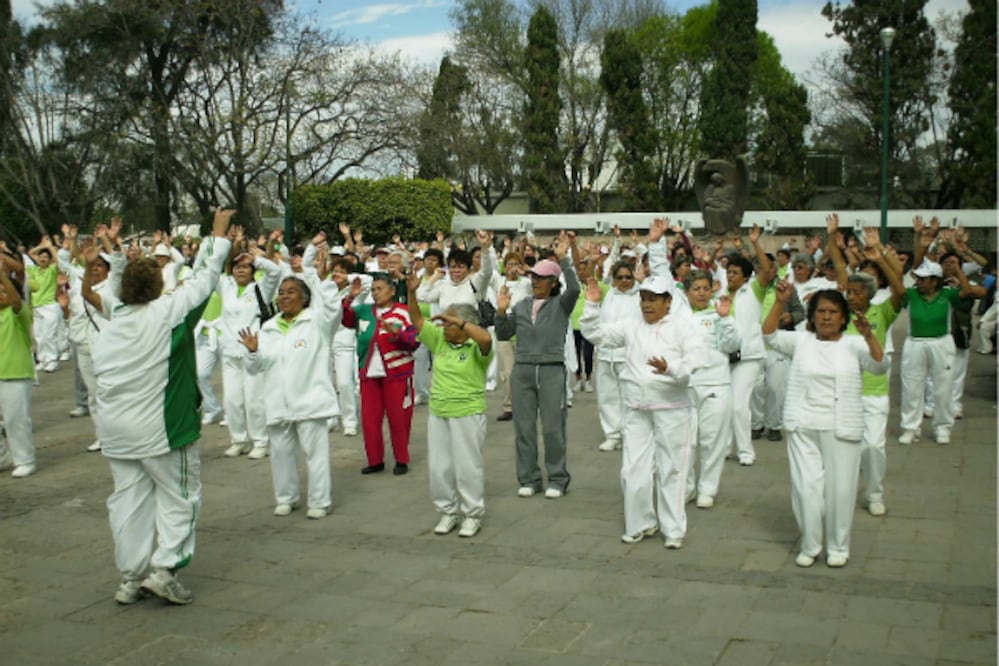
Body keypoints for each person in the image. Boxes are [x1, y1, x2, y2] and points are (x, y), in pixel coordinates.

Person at [91, 209, 234, 606]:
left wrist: (117, 256)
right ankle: (165, 570)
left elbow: (117, 285)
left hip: (114, 431)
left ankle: (129, 578)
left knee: (128, 502)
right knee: (181, 496)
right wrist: (219, 230)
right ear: (158, 285)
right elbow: (206, 276)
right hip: (162, 428)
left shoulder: (114, 318)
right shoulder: (170, 312)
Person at [762, 283, 888, 568]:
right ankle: (810, 544)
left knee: (841, 491)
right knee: (806, 489)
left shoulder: (854, 344)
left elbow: (880, 367)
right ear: (812, 315)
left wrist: (870, 337)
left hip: (841, 426)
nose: (827, 317)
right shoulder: (801, 341)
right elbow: (769, 334)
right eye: (821, 312)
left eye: (833, 312)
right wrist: (780, 303)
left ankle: (838, 546)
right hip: (802, 424)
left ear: (844, 317)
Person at [580, 275, 708, 547]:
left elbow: (698, 357)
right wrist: (591, 307)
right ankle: (640, 523)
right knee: (632, 469)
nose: (647, 305)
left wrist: (671, 368)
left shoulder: (683, 326)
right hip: (636, 408)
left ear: (668, 302)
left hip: (672, 409)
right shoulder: (631, 326)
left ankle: (673, 530)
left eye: (653, 299)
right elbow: (597, 335)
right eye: (644, 299)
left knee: (672, 469)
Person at [239, 257, 348, 520]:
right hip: (278, 402)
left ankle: (320, 501)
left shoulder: (317, 323)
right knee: (281, 456)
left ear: (304, 298)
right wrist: (252, 352)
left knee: (316, 455)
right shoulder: (268, 327)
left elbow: (333, 309)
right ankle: (286, 498)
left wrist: (321, 280)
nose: (284, 297)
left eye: (291, 292)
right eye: (281, 293)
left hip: (310, 401)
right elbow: (255, 368)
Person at [407, 272, 494, 538]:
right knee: (440, 467)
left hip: (467, 412)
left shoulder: (476, 345)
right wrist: (411, 293)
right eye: (443, 323)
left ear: (465, 325)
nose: (443, 327)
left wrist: (459, 320)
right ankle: (447, 512)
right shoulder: (440, 340)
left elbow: (486, 340)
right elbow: (418, 320)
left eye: (450, 323)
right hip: (439, 412)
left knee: (468, 467)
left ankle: (472, 514)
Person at [495, 234, 578, 499]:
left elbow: (575, 289)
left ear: (554, 283)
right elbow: (504, 334)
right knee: (524, 428)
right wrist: (500, 311)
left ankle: (557, 478)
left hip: (552, 369)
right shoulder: (520, 306)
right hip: (523, 371)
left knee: (554, 428)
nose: (535, 282)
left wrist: (564, 259)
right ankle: (529, 478)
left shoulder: (561, 304)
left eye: (541, 278)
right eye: (533, 277)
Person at [898, 257, 984, 445]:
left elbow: (968, 291)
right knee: (911, 387)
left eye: (924, 279)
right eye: (918, 278)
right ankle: (910, 428)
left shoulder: (947, 295)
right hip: (915, 343)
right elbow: (897, 287)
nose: (919, 282)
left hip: (941, 343)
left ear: (935, 280)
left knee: (943, 386)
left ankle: (943, 427)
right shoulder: (912, 295)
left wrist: (957, 270)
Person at [342, 275, 419, 475]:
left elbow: (415, 340)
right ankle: (375, 460)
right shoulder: (364, 311)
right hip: (369, 374)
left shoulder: (404, 312)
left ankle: (401, 459)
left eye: (380, 289)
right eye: (374, 289)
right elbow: (346, 319)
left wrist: (398, 335)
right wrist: (350, 298)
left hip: (397, 373)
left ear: (392, 290)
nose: (376, 293)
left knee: (399, 419)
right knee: (370, 420)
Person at [217, 231, 282, 459]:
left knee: (254, 400)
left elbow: (275, 271)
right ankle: (239, 440)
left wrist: (256, 259)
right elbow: (216, 267)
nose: (241, 270)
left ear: (253, 271)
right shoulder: (225, 285)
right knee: (232, 400)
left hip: (253, 353)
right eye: (237, 267)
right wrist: (232, 245)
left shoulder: (260, 288)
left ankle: (260, 441)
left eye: (245, 267)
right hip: (229, 352)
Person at [683, 270, 740, 508]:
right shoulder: (679, 316)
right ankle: (686, 487)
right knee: (686, 441)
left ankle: (708, 488)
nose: (702, 293)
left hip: (716, 383)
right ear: (687, 292)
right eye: (696, 288)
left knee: (712, 439)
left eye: (706, 288)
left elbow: (733, 345)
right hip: (686, 385)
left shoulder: (720, 314)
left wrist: (725, 319)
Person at [593, 261, 640, 452]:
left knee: (630, 398)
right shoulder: (608, 295)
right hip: (606, 354)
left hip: (629, 356)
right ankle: (612, 434)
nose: (624, 281)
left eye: (628, 277)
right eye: (620, 277)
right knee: (607, 396)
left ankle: (630, 435)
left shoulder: (639, 296)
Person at [0, 266, 34, 477]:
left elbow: (14, 301)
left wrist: (3, 277)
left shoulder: (18, 313)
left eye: (3, 291)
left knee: (15, 420)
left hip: (15, 373)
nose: (1, 294)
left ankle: (25, 459)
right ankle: (3, 457)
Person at [493, 252, 532, 422]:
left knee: (524, 370)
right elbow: (487, 269)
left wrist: (526, 272)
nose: (512, 267)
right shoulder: (499, 282)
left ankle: (526, 405)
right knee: (508, 372)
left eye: (516, 264)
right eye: (509, 264)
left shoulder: (526, 283)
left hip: (523, 326)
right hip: (504, 324)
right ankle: (508, 406)